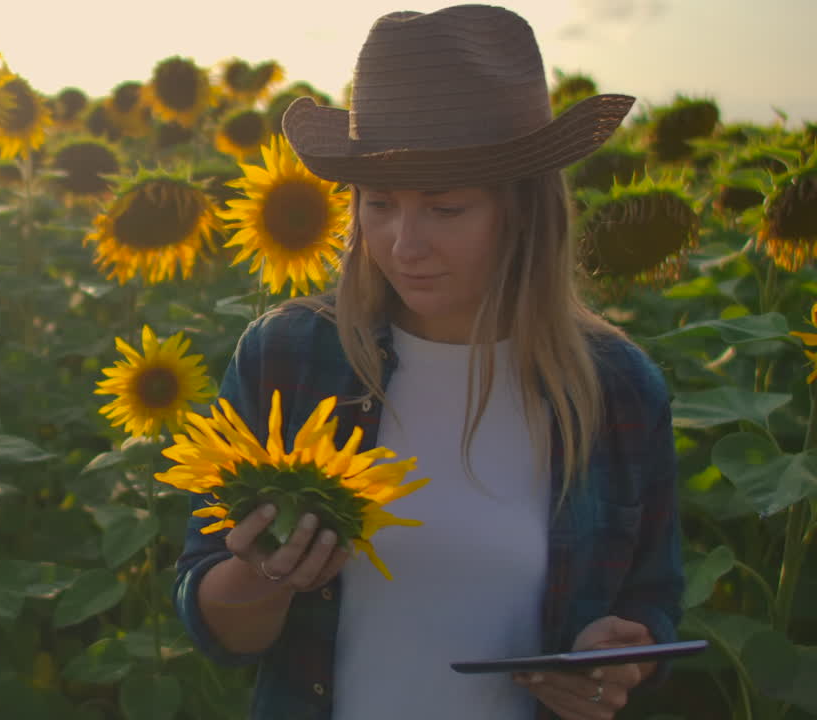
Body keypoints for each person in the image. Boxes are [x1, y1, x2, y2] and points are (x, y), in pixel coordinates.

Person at [171, 5, 685, 720]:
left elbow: (652, 602)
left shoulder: (617, 390)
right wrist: (266, 574)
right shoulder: (289, 357)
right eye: (379, 204)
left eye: (445, 209)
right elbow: (218, 630)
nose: (403, 244)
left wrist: (616, 658)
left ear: (527, 211)